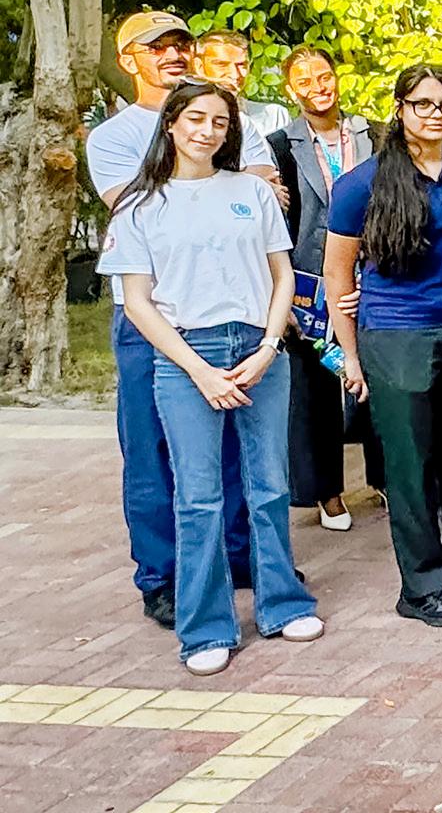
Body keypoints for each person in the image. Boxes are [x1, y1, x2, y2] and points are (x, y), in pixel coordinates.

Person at [98, 82, 322, 675]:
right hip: (185, 356)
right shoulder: (140, 205)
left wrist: (269, 346)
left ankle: (283, 603)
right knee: (198, 499)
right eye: (196, 118)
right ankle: (205, 628)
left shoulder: (250, 191)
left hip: (258, 348)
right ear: (171, 123)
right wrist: (199, 371)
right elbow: (138, 302)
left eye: (220, 122)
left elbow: (281, 276)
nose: (207, 131)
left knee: (268, 487)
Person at [88, 11, 275, 629]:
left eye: (180, 45)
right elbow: (136, 206)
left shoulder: (232, 118)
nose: (172, 55)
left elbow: (264, 191)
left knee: (235, 445)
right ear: (128, 60)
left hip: (232, 314)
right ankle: (164, 576)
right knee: (153, 450)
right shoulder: (112, 137)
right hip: (151, 317)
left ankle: (239, 558)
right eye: (156, 48)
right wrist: (224, 188)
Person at [325, 64, 442, 628]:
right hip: (396, 333)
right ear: (400, 109)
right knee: (411, 463)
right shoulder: (364, 183)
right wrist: (350, 355)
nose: (435, 114)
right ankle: (423, 584)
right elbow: (338, 273)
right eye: (422, 104)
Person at [277, 45, 375, 530]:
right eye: (305, 81)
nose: (318, 88)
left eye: (324, 76)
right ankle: (326, 491)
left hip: (373, 270)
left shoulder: (373, 133)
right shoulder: (280, 146)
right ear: (290, 90)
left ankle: (386, 477)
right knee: (313, 387)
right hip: (308, 280)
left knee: (377, 373)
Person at [194, 30, 294, 135]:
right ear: (199, 66)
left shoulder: (273, 116)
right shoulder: (186, 120)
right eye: (222, 65)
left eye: (242, 65)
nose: (235, 75)